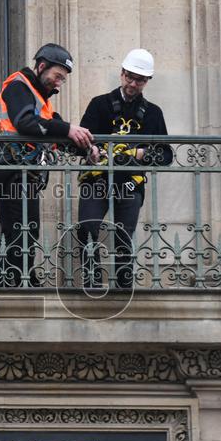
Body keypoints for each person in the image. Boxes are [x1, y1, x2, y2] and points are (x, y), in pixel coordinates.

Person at [0, 43, 94, 286]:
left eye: (63, 80)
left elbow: (56, 135)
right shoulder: (18, 86)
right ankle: (13, 281)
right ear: (42, 67)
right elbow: (25, 123)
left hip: (25, 173)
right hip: (11, 171)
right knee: (18, 230)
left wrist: (87, 148)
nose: (59, 83)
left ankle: (11, 277)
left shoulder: (40, 100)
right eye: (57, 76)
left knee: (27, 229)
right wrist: (68, 129)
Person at [77, 48, 173, 289]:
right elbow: (79, 143)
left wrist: (143, 154)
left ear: (147, 81)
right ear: (121, 74)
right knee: (87, 228)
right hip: (96, 178)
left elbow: (165, 154)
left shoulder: (153, 113)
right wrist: (90, 151)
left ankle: (124, 284)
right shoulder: (99, 105)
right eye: (129, 77)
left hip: (130, 182)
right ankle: (92, 280)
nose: (132, 83)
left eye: (139, 80)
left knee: (123, 234)